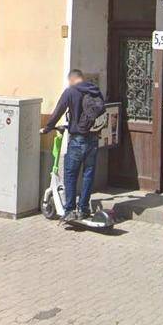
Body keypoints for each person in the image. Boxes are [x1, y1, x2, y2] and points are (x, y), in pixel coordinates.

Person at [42, 69, 105, 222]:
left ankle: (69, 210)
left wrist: (47, 128)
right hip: (93, 138)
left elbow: (58, 111)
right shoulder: (95, 90)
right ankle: (83, 208)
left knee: (70, 174)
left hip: (77, 139)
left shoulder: (70, 92)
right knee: (88, 174)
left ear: (71, 80)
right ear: (82, 78)